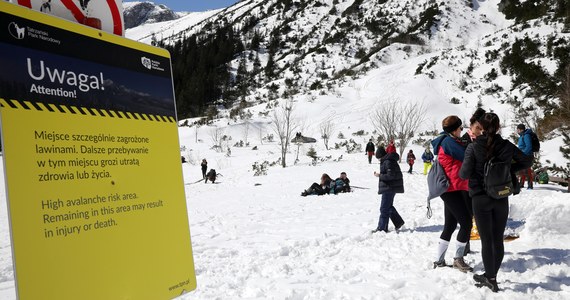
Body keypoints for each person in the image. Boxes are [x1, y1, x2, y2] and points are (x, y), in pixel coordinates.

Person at [459, 113, 532, 292]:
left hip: (480, 197)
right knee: (497, 238)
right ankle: (492, 276)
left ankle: (490, 278)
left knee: (487, 240)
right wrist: (507, 169)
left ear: (481, 127)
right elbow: (527, 160)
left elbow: (463, 174)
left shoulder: (474, 147)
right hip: (501, 196)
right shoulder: (506, 145)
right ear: (498, 127)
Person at [431, 115, 473, 272]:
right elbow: (467, 156)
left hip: (451, 189)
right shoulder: (449, 142)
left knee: (450, 225)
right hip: (451, 190)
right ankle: (458, 259)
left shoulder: (448, 140)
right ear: (454, 129)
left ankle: (439, 260)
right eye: (460, 128)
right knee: (467, 223)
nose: (461, 131)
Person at [372, 146, 405, 233]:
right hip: (390, 187)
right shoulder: (387, 160)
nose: (379, 160)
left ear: (381, 156)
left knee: (384, 208)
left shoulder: (388, 161)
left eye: (379, 158)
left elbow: (391, 175)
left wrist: (379, 175)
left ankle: (382, 228)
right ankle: (398, 222)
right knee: (388, 207)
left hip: (389, 187)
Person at [516, 124, 534, 189]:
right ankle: (521, 184)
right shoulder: (522, 136)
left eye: (517, 129)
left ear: (521, 129)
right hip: (523, 155)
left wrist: (523, 154)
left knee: (527, 170)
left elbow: (529, 147)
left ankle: (530, 185)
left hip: (527, 155)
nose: (517, 131)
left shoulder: (526, 136)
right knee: (522, 170)